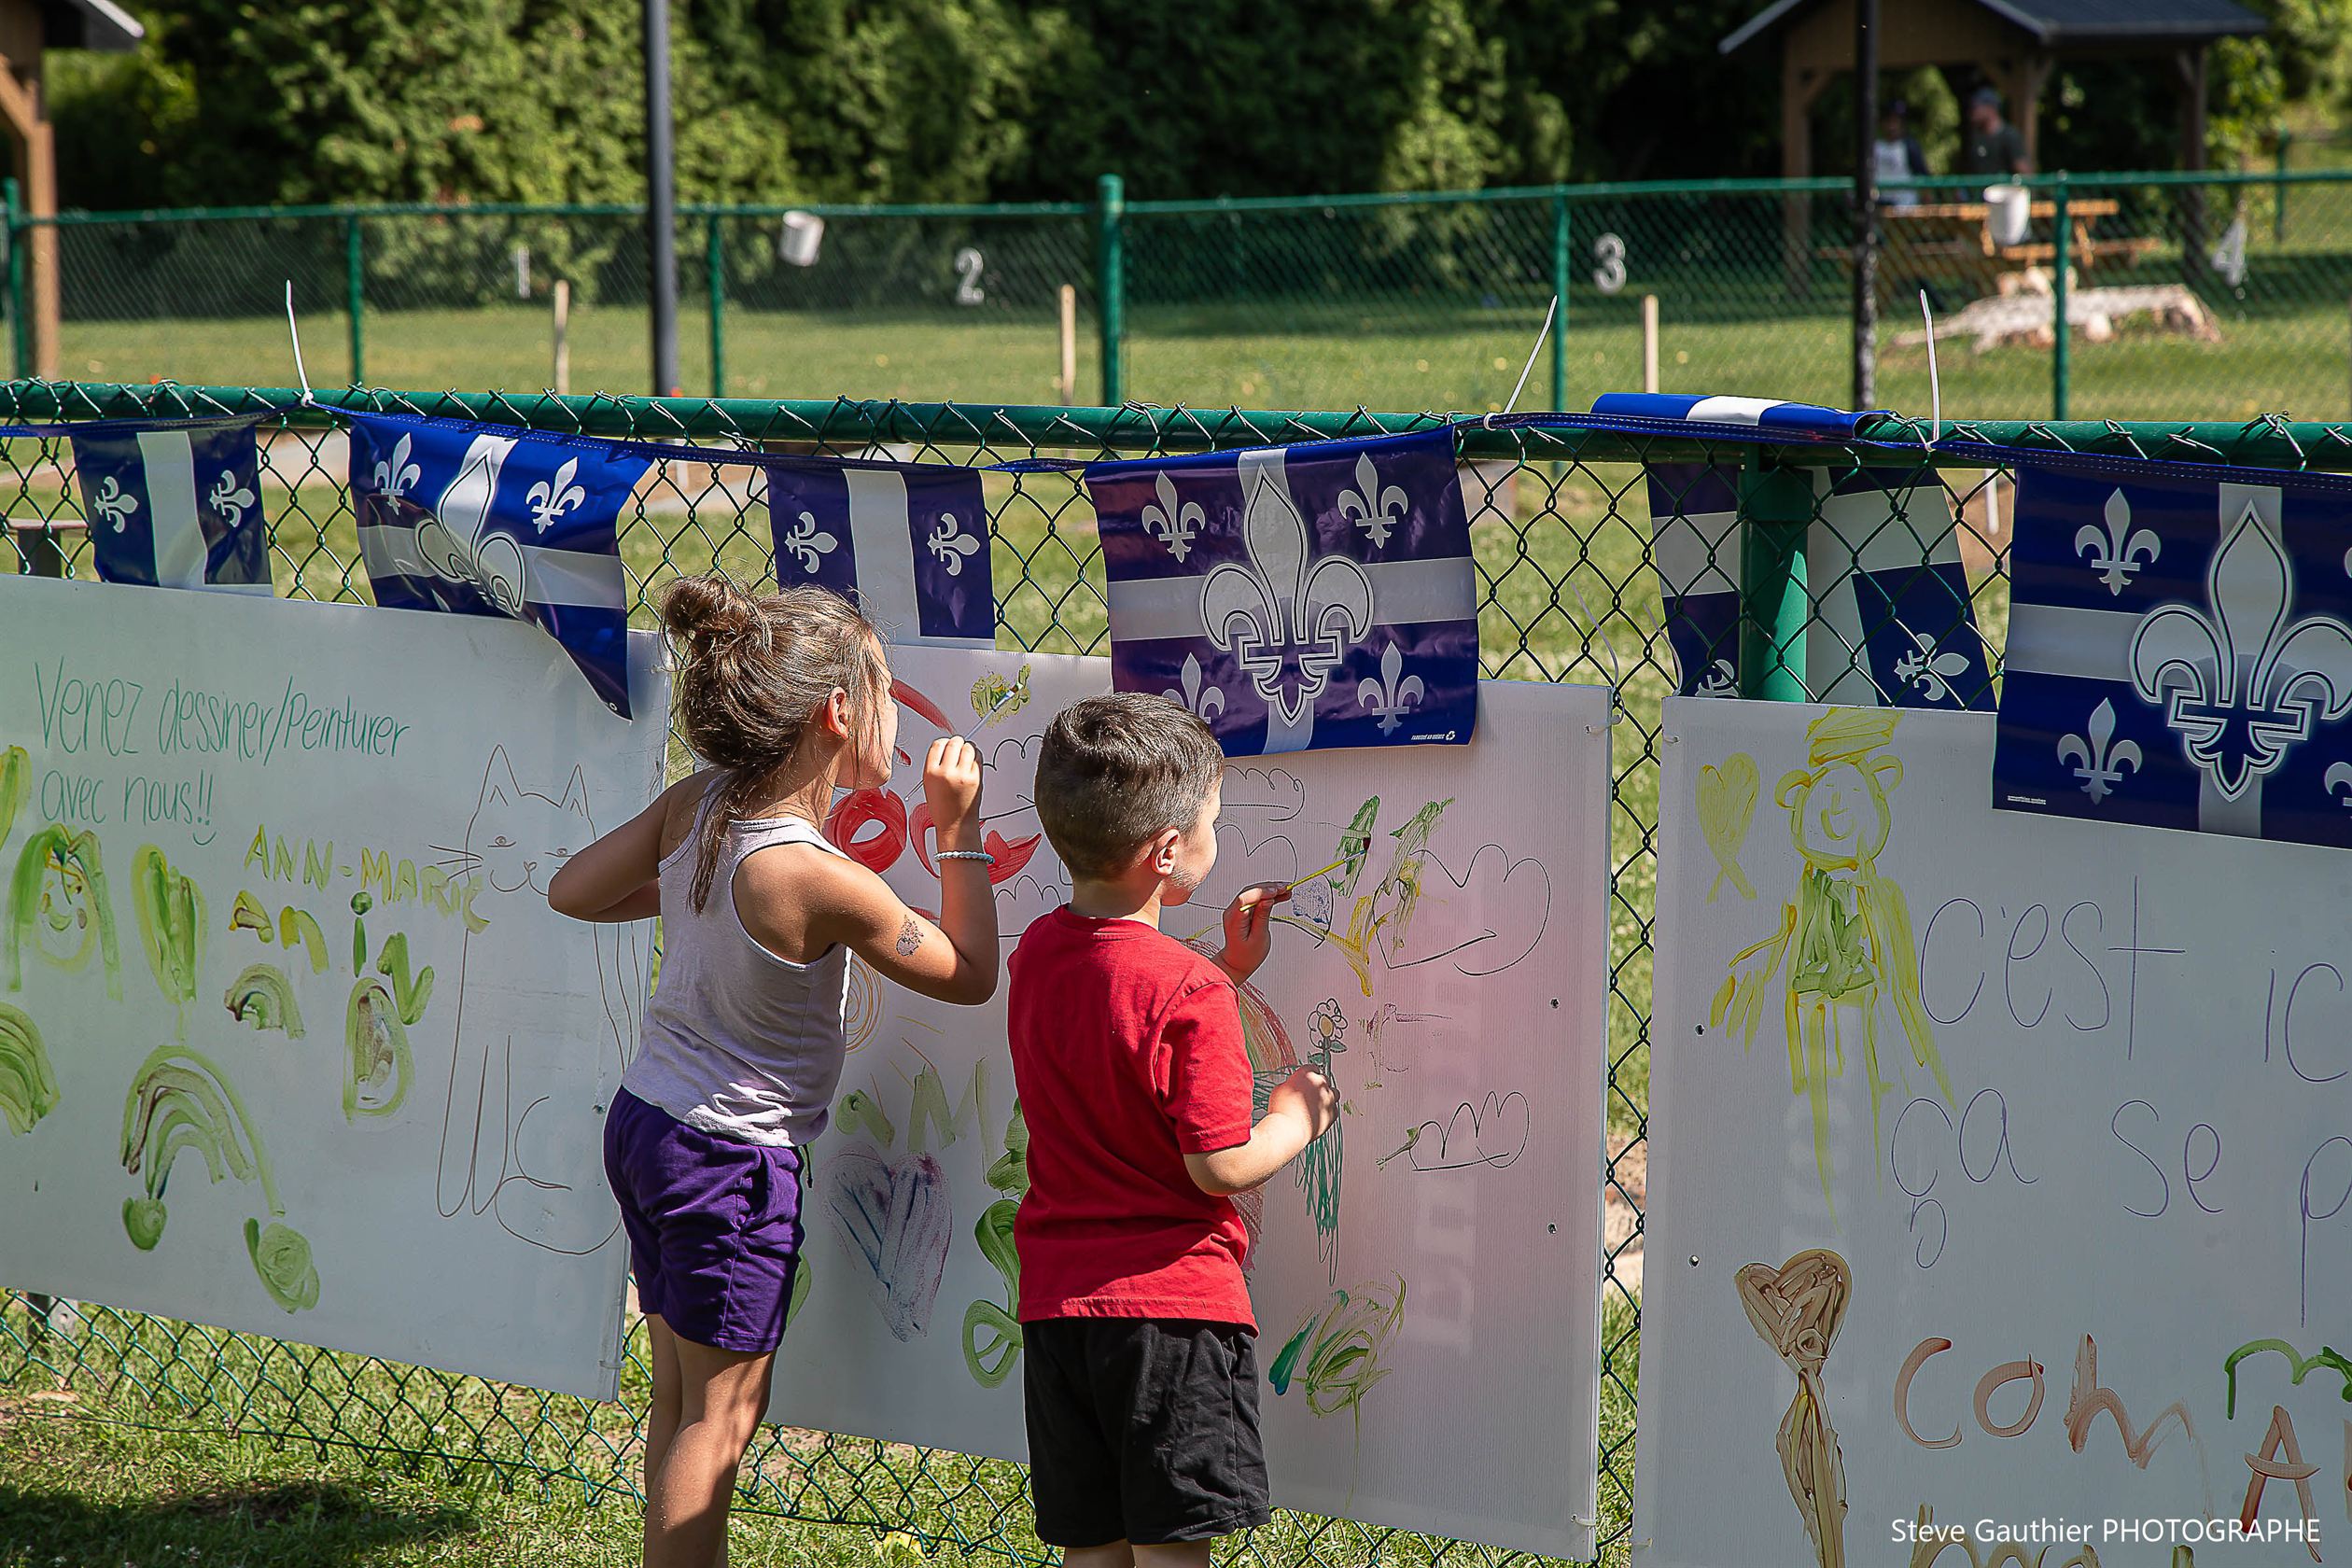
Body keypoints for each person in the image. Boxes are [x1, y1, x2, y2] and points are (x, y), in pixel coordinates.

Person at [549, 575, 999, 1568]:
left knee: (681, 1398)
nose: (898, 711)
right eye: (886, 689)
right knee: (721, 1420)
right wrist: (958, 830)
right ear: (838, 712)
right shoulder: (821, 878)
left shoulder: (698, 806)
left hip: (648, 1123)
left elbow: (572, 890)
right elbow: (969, 975)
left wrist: (684, 891)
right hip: (729, 1164)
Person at [1008, 693, 1341, 1567]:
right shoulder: (1188, 992)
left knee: (1093, 1547)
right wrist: (1295, 1117)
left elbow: (1120, 1032)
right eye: (1214, 822)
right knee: (1172, 1552)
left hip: (1061, 1312)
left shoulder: (1037, 952)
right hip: (1172, 1319)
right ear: (1166, 853)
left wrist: (1224, 969)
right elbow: (1218, 1163)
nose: (1217, 836)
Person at [1961, 85, 2030, 178]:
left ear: (1991, 108)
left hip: (2003, 187)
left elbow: (2023, 170)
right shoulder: (1975, 137)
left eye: (1976, 108)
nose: (1973, 112)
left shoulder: (2009, 136)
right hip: (1981, 187)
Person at [1873, 99, 1931, 208]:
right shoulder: (1875, 147)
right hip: (1880, 204)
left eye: (1896, 121)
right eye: (1889, 121)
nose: (1892, 126)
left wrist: (1926, 200)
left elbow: (1923, 175)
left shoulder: (1909, 146)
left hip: (1905, 206)